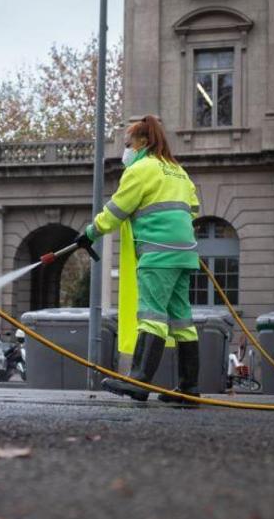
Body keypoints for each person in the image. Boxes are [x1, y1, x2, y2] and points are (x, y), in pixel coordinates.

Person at [76, 115, 202, 404]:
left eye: (128, 144)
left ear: (143, 142)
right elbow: (193, 208)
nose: (126, 150)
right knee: (182, 320)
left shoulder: (140, 170)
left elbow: (117, 210)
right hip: (184, 254)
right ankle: (189, 388)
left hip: (158, 253)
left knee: (152, 315)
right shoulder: (178, 171)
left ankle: (139, 381)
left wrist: (90, 233)